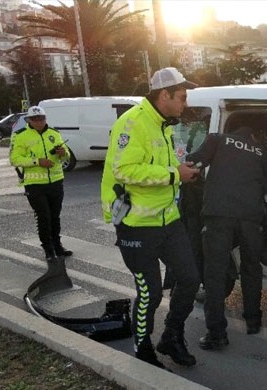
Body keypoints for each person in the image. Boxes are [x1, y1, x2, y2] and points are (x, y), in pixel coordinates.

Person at [99, 67, 201, 369]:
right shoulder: (132, 123)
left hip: (168, 221)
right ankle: (142, 349)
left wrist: (182, 173)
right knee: (150, 293)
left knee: (191, 279)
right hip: (137, 226)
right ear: (164, 95)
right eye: (181, 98)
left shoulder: (164, 125)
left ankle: (171, 336)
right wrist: (174, 175)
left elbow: (159, 169)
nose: (185, 103)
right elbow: (125, 170)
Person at [188, 116, 267, 350]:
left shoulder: (217, 140)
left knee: (215, 274)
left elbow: (193, 163)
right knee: (251, 268)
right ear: (253, 135)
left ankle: (216, 334)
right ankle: (252, 321)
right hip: (251, 218)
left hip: (218, 216)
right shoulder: (262, 152)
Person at [10, 106, 73, 261]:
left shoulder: (54, 133)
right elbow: (14, 159)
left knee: (55, 216)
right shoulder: (20, 136)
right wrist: (37, 161)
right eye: (35, 119)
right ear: (29, 120)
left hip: (55, 182)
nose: (39, 122)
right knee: (43, 216)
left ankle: (58, 246)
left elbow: (66, 156)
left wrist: (63, 154)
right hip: (35, 184)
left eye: (42, 119)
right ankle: (48, 249)